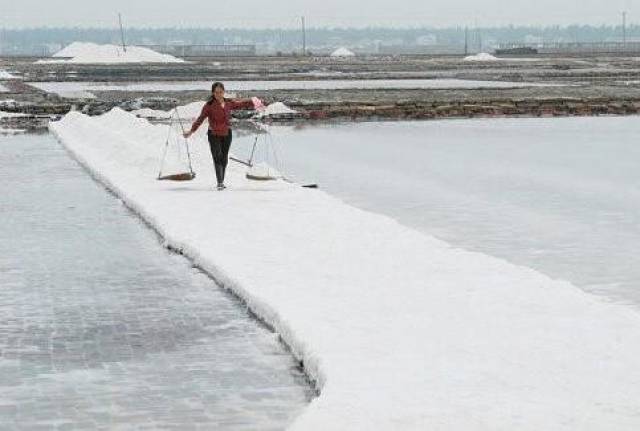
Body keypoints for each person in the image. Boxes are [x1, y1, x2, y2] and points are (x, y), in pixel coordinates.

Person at [183, 82, 261, 190]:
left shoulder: (228, 103)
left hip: (227, 134)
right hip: (214, 135)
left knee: (224, 159)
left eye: (220, 92)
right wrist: (191, 131)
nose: (218, 94)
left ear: (224, 92)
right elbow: (200, 119)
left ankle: (221, 181)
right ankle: (219, 182)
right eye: (216, 92)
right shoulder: (209, 106)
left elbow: (241, 104)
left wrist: (255, 102)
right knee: (217, 157)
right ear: (213, 93)